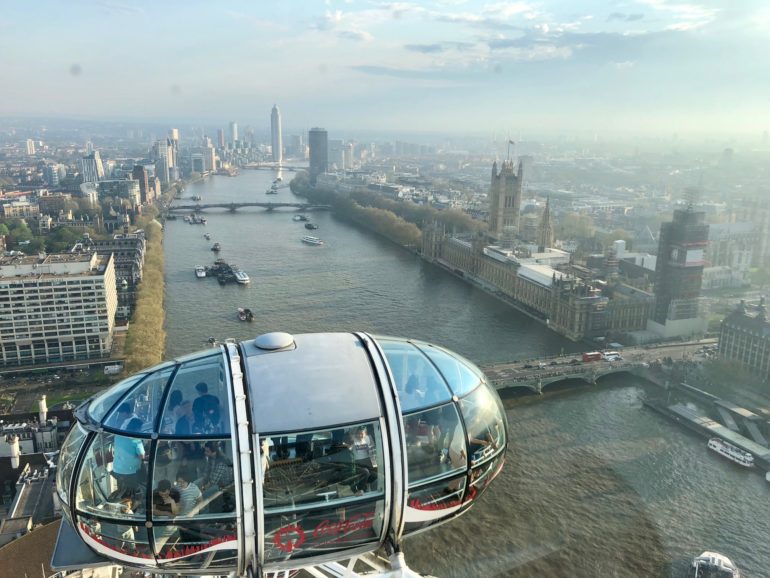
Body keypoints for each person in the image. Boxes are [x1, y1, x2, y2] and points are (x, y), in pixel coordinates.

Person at [111, 418, 146, 494]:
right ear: (138, 428)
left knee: (122, 491)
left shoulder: (118, 435)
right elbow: (142, 456)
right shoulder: (136, 439)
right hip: (130, 471)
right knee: (132, 492)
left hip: (117, 469)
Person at [347, 426, 377, 494]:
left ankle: (372, 490)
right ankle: (361, 489)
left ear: (365, 433)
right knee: (365, 472)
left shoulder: (368, 438)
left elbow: (373, 448)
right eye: (358, 434)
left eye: (362, 434)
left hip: (368, 460)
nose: (360, 435)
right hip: (358, 462)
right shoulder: (353, 439)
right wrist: (350, 445)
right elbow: (349, 448)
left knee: (375, 475)